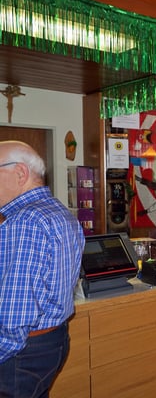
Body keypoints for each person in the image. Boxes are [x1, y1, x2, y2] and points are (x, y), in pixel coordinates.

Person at [0, 141, 85, 397]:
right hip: (54, 339)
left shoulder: (24, 221)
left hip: (22, 352)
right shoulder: (60, 212)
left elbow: (15, 318)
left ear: (20, 172)